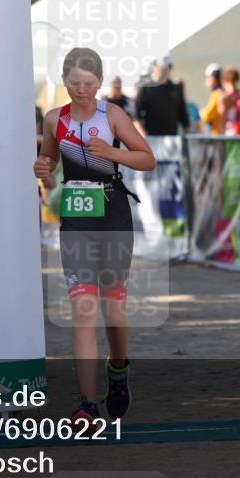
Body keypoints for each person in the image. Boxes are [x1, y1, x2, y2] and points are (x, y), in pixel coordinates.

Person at [34, 47, 155, 424]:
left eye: (87, 84)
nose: (80, 90)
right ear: (64, 81)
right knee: (83, 310)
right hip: (77, 218)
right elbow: (50, 164)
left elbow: (147, 158)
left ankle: (118, 370)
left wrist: (111, 153)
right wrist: (43, 167)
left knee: (113, 310)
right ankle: (86, 404)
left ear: (100, 83)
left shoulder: (113, 115)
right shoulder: (56, 119)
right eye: (73, 83)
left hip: (113, 213)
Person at [133, 55, 189, 135]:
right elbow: (136, 116)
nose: (165, 71)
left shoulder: (176, 88)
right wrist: (146, 138)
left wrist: (186, 136)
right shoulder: (145, 88)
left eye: (168, 67)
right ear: (154, 66)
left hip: (172, 140)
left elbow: (183, 115)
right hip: (152, 140)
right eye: (162, 67)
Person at [198, 62, 223, 135]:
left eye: (207, 77)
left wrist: (200, 112)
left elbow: (207, 116)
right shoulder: (223, 92)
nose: (206, 80)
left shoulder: (217, 94)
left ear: (213, 77)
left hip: (218, 135)